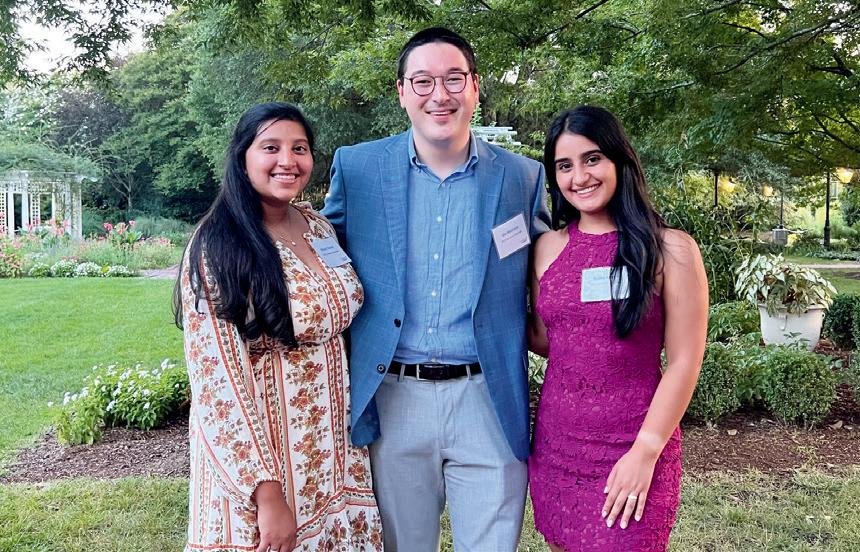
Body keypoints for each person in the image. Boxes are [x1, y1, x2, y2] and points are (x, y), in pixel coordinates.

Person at [322, 27, 550, 552]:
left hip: (488, 399)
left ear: (475, 87)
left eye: (453, 79)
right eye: (422, 81)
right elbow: (316, 254)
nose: (439, 95)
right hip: (393, 398)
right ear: (402, 92)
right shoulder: (357, 168)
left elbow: (551, 273)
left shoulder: (522, 177)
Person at [174, 102, 382, 552]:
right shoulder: (219, 246)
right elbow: (217, 381)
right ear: (242, 156)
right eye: (271, 147)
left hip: (331, 454)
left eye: (299, 148)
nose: (287, 161)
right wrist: (265, 494)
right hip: (268, 461)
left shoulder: (317, 226)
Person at [527, 105, 708, 551]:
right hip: (557, 445)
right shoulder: (546, 248)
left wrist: (645, 452)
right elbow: (550, 340)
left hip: (634, 444)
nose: (579, 177)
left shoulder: (671, 249)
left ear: (619, 159)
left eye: (592, 159)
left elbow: (684, 361)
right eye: (564, 165)